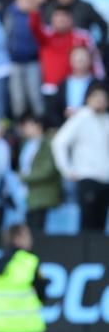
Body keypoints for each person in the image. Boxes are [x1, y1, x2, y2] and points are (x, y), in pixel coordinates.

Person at [51, 82, 109, 232]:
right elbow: (58, 142)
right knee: (88, 224)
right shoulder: (82, 117)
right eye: (96, 97)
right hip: (87, 177)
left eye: (103, 97)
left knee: (101, 225)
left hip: (106, 179)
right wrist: (67, 170)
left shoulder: (107, 120)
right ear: (88, 98)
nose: (100, 101)